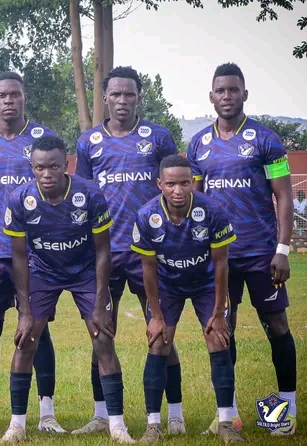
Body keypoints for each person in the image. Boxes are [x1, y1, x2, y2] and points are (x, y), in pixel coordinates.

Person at [1, 135, 133, 443]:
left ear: (66, 165)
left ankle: (116, 425)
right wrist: (24, 310)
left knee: (103, 340)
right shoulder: (20, 199)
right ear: (32, 167)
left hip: (84, 271)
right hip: (42, 271)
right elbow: (18, 257)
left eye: (53, 167)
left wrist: (100, 301)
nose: (46, 174)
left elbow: (104, 250)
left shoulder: (90, 194)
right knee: (25, 341)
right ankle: (17, 426)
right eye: (40, 168)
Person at [188, 62, 296, 436]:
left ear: (244, 94)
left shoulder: (266, 139)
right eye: (220, 90)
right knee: (223, 329)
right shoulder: (198, 144)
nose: (227, 96)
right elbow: (195, 202)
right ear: (211, 96)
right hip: (220, 257)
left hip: (262, 253)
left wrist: (282, 249)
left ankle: (287, 412)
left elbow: (284, 196)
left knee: (277, 326)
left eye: (233, 89)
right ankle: (228, 415)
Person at [74, 66, 184, 435]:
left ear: (139, 97)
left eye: (129, 94)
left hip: (149, 253)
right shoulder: (89, 142)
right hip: (104, 252)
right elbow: (83, 196)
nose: (122, 100)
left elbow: (175, 187)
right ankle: (101, 415)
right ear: (105, 98)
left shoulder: (158, 137)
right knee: (101, 334)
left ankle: (175, 415)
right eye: (116, 94)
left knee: (162, 332)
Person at [0, 71, 64, 434]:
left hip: (34, 254)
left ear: (24, 98)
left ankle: (47, 414)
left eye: (14, 95)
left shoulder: (41, 139)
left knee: (38, 330)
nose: (8, 101)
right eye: (2, 95)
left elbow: (54, 197)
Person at [131, 155, 244, 443]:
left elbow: (221, 263)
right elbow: (148, 269)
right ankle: (153, 426)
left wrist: (218, 312)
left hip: (205, 283)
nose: (178, 190)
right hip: (167, 286)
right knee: (158, 343)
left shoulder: (212, 211)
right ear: (160, 184)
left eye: (184, 183)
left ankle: (226, 422)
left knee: (218, 339)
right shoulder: (146, 216)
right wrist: (156, 316)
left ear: (192, 182)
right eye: (171, 184)